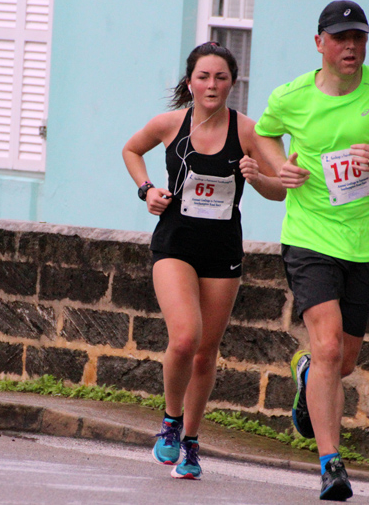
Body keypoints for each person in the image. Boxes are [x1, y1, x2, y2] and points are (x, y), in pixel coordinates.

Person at [254, 0, 369, 500]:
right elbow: (264, 134)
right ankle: (331, 465)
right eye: (340, 38)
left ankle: (307, 373)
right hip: (309, 236)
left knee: (342, 361)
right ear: (320, 43)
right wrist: (280, 167)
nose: (350, 46)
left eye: (358, 37)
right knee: (329, 345)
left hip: (364, 242)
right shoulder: (291, 96)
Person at [123, 42, 285, 479]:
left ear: (232, 83)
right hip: (175, 244)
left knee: (205, 352)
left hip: (222, 250)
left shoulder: (248, 131)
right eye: (203, 76)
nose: (212, 85)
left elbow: (280, 189)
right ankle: (171, 420)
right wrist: (147, 190)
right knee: (184, 338)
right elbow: (131, 150)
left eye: (221, 77)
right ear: (190, 81)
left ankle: (191, 443)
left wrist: (258, 177)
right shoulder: (169, 124)